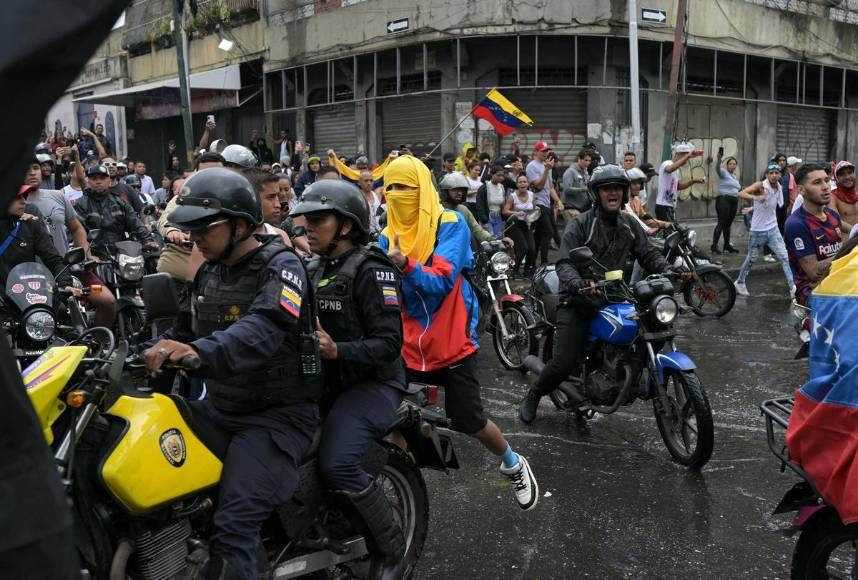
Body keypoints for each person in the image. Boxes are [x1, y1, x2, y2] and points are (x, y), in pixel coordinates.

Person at [143, 168, 321, 579]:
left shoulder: (282, 266)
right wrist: (141, 352)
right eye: (192, 229)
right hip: (222, 407)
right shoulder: (210, 270)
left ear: (240, 225)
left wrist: (197, 352)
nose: (195, 238)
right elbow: (182, 331)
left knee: (233, 525)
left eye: (205, 228)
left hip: (276, 417)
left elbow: (264, 328)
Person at [379, 155, 539, 511]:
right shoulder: (386, 234)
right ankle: (396, 496)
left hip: (452, 340)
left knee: (470, 421)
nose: (397, 194)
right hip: (408, 344)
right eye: (390, 188)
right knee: (394, 419)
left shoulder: (449, 223)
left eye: (405, 187)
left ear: (423, 188)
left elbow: (440, 281)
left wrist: (405, 264)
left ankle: (513, 463)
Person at [290, 180, 408, 579]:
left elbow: (389, 344)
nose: (307, 226)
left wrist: (338, 350)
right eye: (306, 220)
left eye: (318, 220)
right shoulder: (311, 267)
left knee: (337, 463)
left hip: (373, 383)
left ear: (346, 225)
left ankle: (391, 548)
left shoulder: (373, 271)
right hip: (324, 382)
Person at [518, 165, 670, 424]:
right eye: (606, 189)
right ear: (596, 193)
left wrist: (669, 268)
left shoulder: (628, 224)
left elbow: (647, 253)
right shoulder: (580, 224)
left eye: (617, 188)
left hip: (616, 296)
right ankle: (534, 394)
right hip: (580, 299)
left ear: (624, 193)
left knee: (651, 326)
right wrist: (577, 282)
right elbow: (565, 263)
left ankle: (627, 374)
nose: (613, 193)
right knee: (563, 362)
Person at [74, 164, 157, 327]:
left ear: (109, 181)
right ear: (89, 181)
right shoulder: (81, 204)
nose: (98, 182)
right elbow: (78, 232)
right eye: (94, 179)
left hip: (121, 253)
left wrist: (147, 240)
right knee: (92, 291)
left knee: (151, 265)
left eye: (102, 178)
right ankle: (94, 325)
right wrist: (88, 254)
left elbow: (135, 223)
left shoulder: (119, 202)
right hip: (95, 254)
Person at [785, 163, 843, 306]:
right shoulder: (796, 224)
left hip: (838, 284)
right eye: (817, 182)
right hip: (813, 292)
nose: (825, 187)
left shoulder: (833, 216)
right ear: (801, 190)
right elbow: (814, 272)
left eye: (826, 180)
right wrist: (848, 253)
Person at [734, 163, 796, 297]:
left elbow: (771, 204)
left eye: (776, 173)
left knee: (784, 257)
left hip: (773, 229)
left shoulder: (779, 187)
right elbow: (741, 193)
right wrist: (756, 198)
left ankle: (793, 288)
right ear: (767, 175)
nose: (774, 175)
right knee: (751, 259)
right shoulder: (760, 185)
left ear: (780, 174)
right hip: (758, 231)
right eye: (771, 173)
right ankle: (740, 282)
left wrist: (753, 207)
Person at [0, 185, 75, 291]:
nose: (24, 202)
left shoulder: (30, 224)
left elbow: (53, 259)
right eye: (17, 197)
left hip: (28, 293)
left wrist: (64, 284)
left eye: (24, 196)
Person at [526, 140, 559, 266]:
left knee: (539, 235)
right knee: (548, 232)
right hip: (538, 203)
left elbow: (550, 187)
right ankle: (544, 262)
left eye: (547, 151)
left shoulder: (547, 166)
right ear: (536, 152)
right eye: (543, 151)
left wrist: (558, 200)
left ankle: (531, 263)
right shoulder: (532, 166)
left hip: (547, 203)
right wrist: (546, 170)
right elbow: (538, 186)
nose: (545, 153)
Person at [439, 172, 493, 244]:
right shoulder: (437, 210)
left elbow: (477, 230)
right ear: (445, 191)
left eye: (462, 190)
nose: (460, 193)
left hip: (462, 248)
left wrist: (493, 239)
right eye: (455, 189)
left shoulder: (463, 210)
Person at [655, 142, 703, 222]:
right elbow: (669, 169)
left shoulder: (676, 170)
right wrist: (687, 156)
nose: (686, 161)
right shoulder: (667, 163)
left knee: (672, 229)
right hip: (663, 205)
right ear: (678, 154)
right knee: (668, 229)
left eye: (687, 159)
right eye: (685, 158)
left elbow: (678, 186)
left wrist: (693, 181)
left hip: (670, 206)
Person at [502, 173, 538, 277]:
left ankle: (527, 271)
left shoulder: (531, 195)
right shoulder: (512, 196)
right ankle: (515, 271)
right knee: (523, 247)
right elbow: (505, 211)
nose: (522, 184)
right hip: (514, 224)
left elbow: (534, 209)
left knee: (532, 248)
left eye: (524, 182)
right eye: (520, 182)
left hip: (527, 224)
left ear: (528, 184)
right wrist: (516, 213)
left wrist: (536, 210)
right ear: (517, 185)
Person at [711, 152, 741, 254]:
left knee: (728, 224)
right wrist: (719, 159)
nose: (732, 165)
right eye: (730, 164)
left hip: (734, 200)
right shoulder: (723, 172)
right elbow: (717, 168)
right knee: (721, 222)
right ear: (727, 165)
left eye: (734, 164)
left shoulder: (734, 177)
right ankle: (714, 246)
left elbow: (737, 189)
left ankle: (726, 245)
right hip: (724, 200)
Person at [477, 164, 509, 236]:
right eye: (498, 175)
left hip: (498, 217)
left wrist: (504, 219)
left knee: (499, 238)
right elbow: (480, 205)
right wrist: (484, 222)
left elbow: (503, 205)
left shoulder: (502, 187)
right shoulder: (484, 188)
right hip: (488, 217)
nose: (501, 177)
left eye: (502, 175)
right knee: (490, 238)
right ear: (492, 174)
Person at [561, 149, 592, 222]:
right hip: (571, 209)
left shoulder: (585, 172)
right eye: (585, 160)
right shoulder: (570, 172)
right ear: (579, 159)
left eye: (589, 161)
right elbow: (567, 190)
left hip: (582, 209)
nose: (588, 163)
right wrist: (584, 189)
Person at [829, 160, 858, 231]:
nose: (847, 177)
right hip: (846, 238)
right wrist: (855, 231)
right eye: (842, 174)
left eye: (850, 173)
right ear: (836, 178)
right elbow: (835, 220)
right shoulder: (832, 197)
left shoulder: (857, 195)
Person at [358, 169, 383, 236]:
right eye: (366, 181)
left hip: (379, 233)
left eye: (371, 180)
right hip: (364, 235)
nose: (369, 183)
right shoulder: (357, 197)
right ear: (359, 182)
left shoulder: (377, 193)